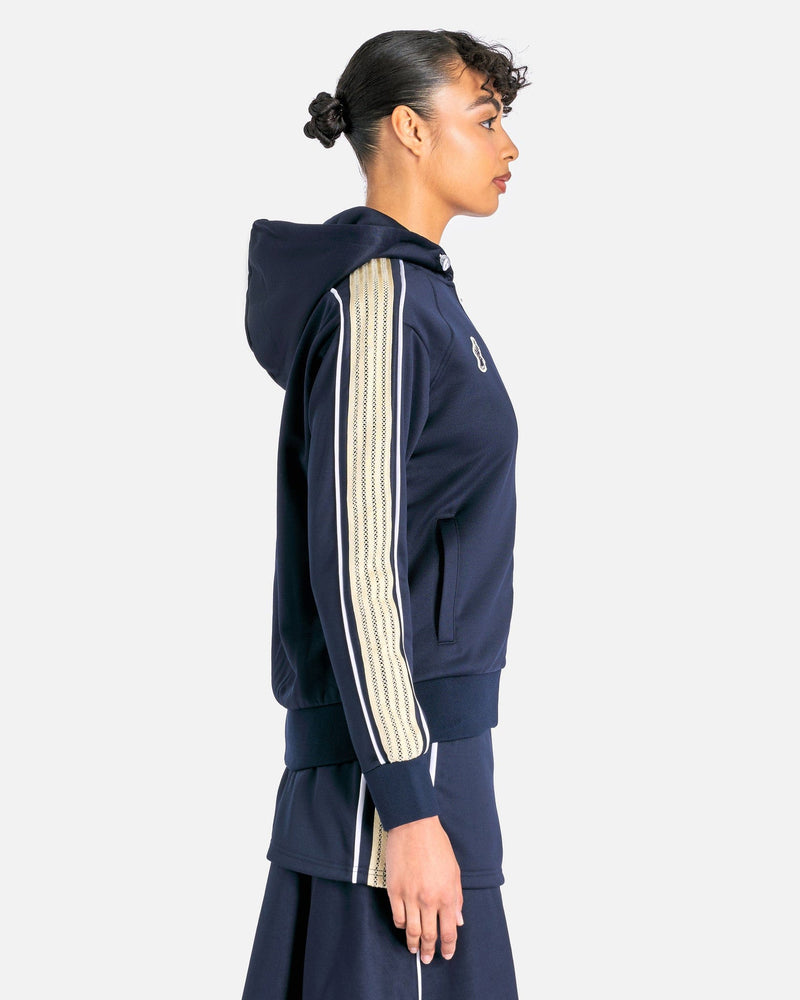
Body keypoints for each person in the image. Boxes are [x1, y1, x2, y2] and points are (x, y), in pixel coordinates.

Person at [240, 27, 529, 1000]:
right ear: (409, 128)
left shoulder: (423, 298)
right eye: (484, 119)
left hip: (430, 759)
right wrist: (406, 804)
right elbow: (356, 560)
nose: (509, 146)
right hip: (393, 776)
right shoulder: (380, 305)